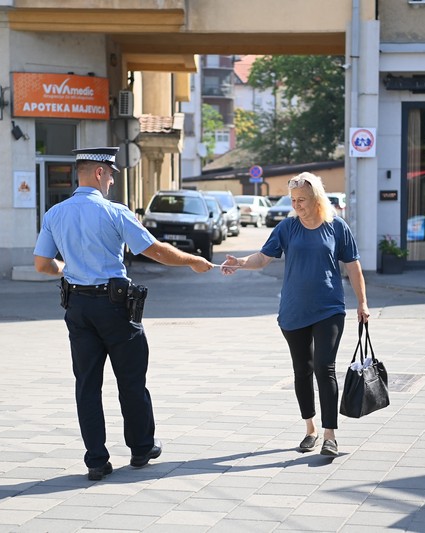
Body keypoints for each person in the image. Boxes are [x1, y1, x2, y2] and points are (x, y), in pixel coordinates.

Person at [33, 147, 214, 481]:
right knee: (131, 380)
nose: (113, 181)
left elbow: (43, 264)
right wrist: (193, 261)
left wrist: (67, 268)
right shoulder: (115, 212)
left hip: (77, 307)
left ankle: (96, 460)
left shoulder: (54, 214)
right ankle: (141, 448)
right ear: (99, 172)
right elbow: (154, 250)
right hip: (114, 307)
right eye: (111, 175)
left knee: (87, 385)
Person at [222, 172, 369, 456]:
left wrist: (362, 303)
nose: (296, 205)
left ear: (316, 199)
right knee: (302, 370)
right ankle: (310, 429)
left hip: (328, 308)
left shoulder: (336, 227)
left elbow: (353, 266)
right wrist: (239, 262)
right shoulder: (287, 228)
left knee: (325, 368)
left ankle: (329, 435)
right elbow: (263, 258)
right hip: (293, 310)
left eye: (302, 199)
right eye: (293, 200)